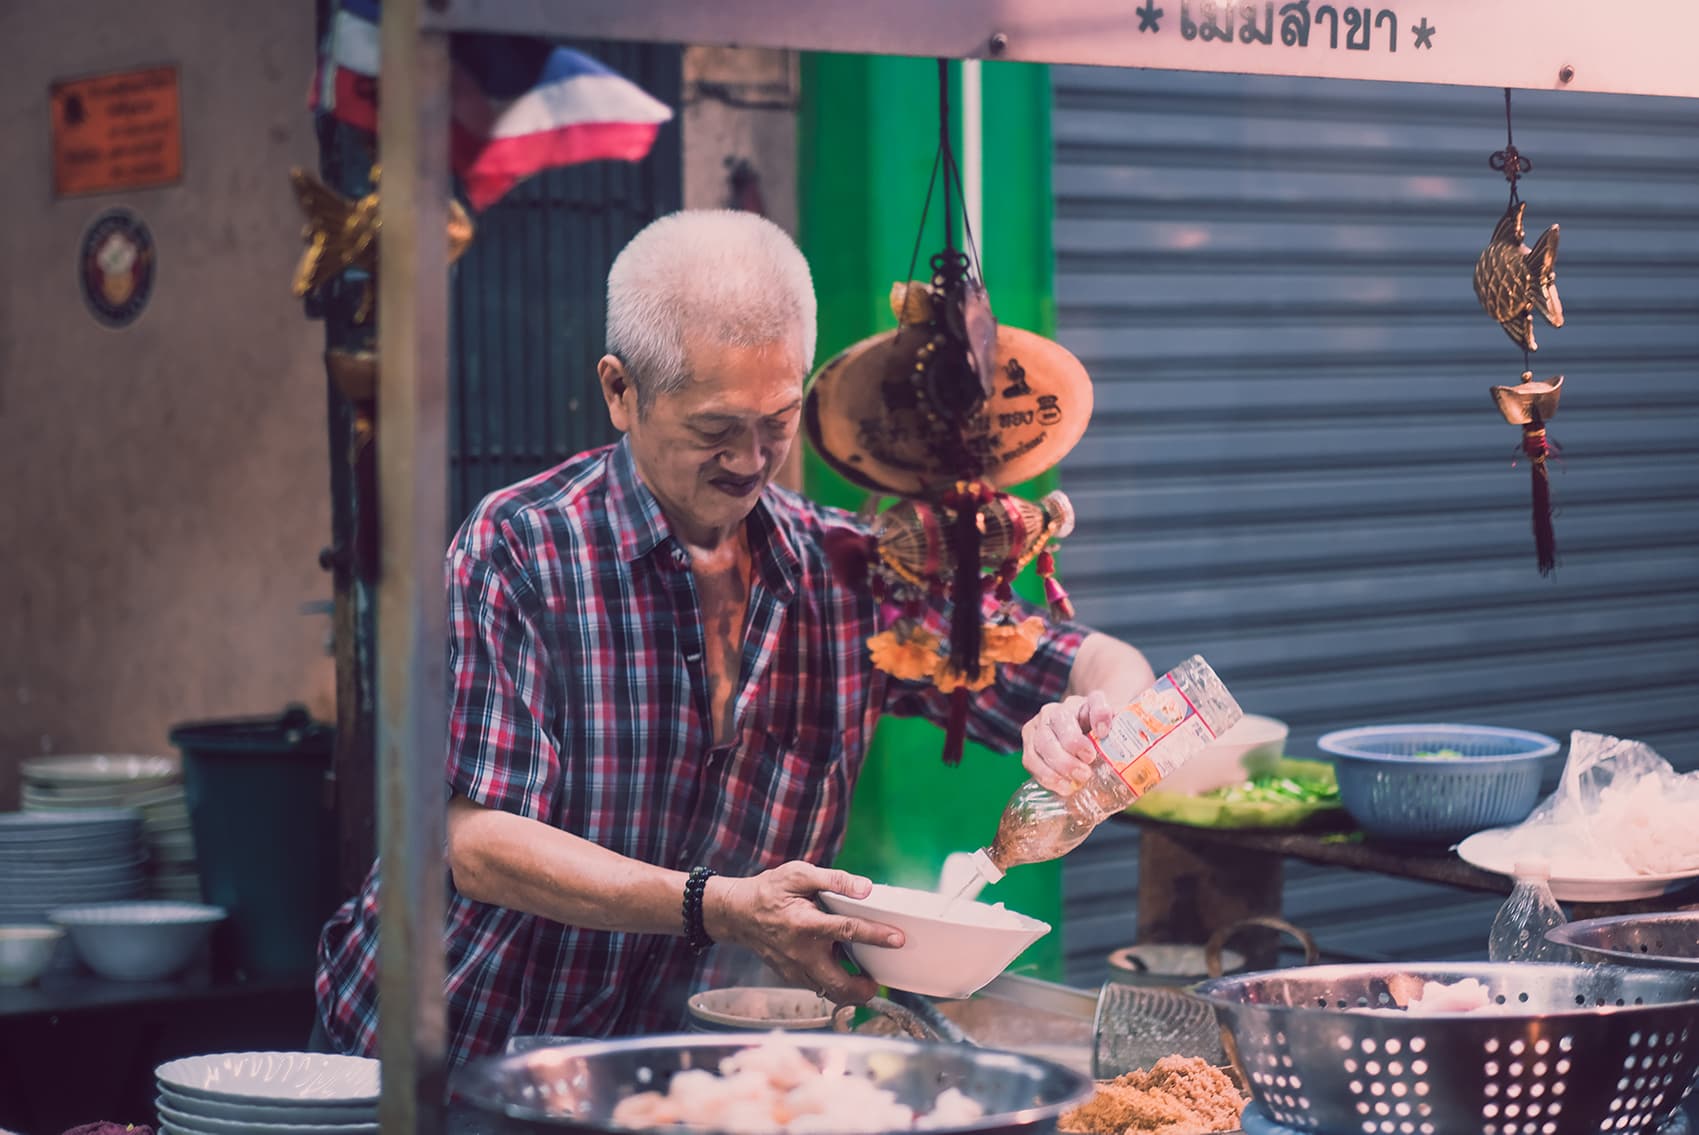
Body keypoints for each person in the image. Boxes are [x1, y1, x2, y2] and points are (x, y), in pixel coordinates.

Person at [313, 209, 1155, 1067]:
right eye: (715, 429)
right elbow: (479, 845)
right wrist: (717, 904)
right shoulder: (520, 547)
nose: (751, 460)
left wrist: (1093, 725)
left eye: (778, 421)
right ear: (619, 390)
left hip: (672, 1075)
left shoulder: (845, 570)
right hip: (449, 1050)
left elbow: (1094, 660)